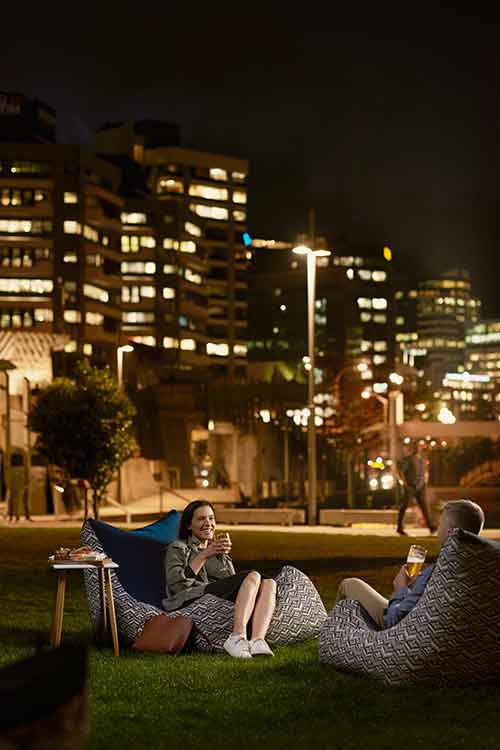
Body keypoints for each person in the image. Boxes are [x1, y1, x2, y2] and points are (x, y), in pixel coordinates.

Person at [335, 499, 485, 629]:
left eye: (440, 524)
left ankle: (331, 635)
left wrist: (401, 588)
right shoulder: (479, 568)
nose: (438, 531)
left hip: (404, 629)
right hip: (441, 631)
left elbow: (395, 622)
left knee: (349, 584)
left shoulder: (439, 572)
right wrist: (417, 587)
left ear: (451, 532)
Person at [163, 500, 277, 659]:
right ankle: (237, 637)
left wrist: (222, 557)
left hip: (216, 591)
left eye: (211, 518)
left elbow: (235, 583)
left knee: (269, 583)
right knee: (253, 575)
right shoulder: (178, 548)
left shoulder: (217, 550)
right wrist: (204, 555)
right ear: (189, 525)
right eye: (201, 519)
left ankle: (258, 640)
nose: (208, 523)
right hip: (191, 595)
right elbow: (177, 585)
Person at [396, 440, 435, 535]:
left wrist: (425, 481)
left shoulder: (422, 460)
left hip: (421, 486)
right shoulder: (408, 459)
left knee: (424, 507)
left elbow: (425, 472)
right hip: (410, 486)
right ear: (412, 448)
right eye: (415, 447)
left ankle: (431, 527)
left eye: (418, 447)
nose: (417, 448)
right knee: (404, 506)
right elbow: (401, 472)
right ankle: (399, 527)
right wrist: (405, 484)